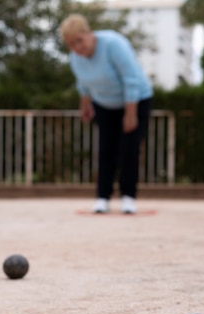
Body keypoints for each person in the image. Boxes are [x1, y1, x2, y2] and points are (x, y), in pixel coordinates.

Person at [60, 14, 153, 214]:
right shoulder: (76, 58)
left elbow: (131, 79)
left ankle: (128, 197)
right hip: (104, 103)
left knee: (129, 149)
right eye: (71, 44)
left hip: (135, 100)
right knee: (106, 149)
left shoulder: (113, 44)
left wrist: (130, 113)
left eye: (79, 40)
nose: (77, 47)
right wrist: (85, 106)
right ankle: (102, 197)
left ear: (89, 33)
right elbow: (83, 83)